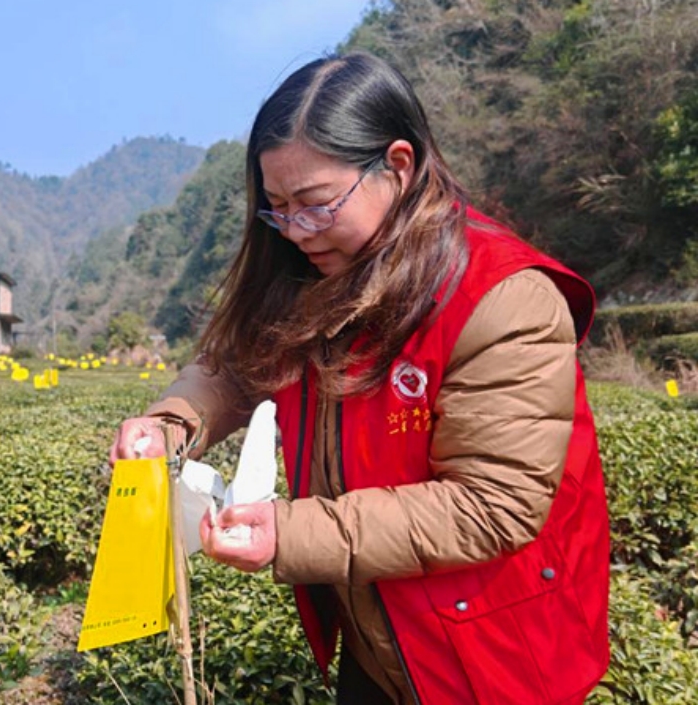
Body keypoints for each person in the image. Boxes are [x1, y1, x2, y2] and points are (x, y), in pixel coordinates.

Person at [110, 52, 609, 705]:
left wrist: (288, 533)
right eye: (277, 208)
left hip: (492, 653)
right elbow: (236, 367)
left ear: (398, 166)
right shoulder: (313, 276)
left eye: (316, 204)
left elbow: (493, 504)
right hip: (380, 639)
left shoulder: (502, 298)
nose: (294, 230)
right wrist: (173, 420)